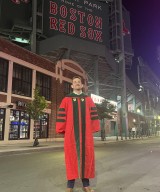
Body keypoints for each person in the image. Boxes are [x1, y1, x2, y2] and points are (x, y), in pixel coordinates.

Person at [56, 76, 100, 192]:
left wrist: (94, 128)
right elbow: (62, 115)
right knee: (71, 158)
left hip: (86, 135)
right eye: (74, 82)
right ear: (72, 86)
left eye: (78, 82)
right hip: (71, 133)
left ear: (82, 85)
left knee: (86, 157)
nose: (76, 83)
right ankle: (70, 186)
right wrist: (62, 129)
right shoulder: (66, 100)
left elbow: (94, 116)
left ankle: (86, 185)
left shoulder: (88, 99)